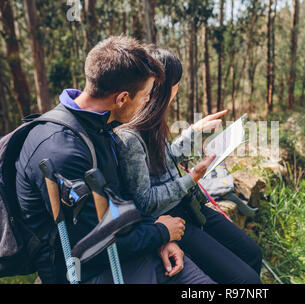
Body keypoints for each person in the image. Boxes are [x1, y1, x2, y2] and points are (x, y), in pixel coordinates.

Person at [15, 36, 214, 284]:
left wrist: (159, 237)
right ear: (121, 99)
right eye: (146, 96)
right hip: (87, 272)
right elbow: (91, 246)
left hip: (126, 247)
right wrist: (160, 232)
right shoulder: (63, 151)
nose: (147, 103)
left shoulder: (98, 128)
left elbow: (119, 204)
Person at [115, 47, 262, 284]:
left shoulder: (152, 121)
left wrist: (193, 132)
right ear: (161, 86)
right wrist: (191, 178)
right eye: (176, 83)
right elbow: (144, 200)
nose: (178, 88)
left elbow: (163, 163)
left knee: (252, 253)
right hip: (171, 219)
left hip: (189, 206)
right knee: (246, 280)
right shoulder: (130, 135)